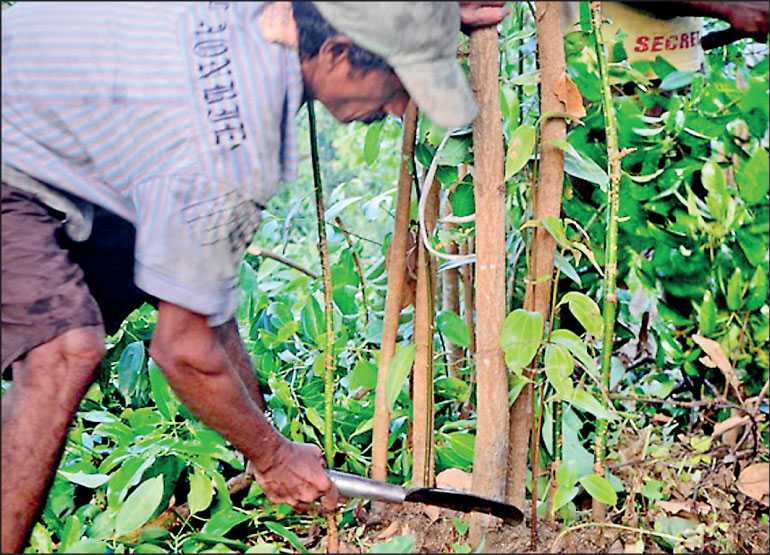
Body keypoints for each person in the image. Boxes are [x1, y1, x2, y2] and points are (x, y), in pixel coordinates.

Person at [0, 2, 499, 552]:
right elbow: (182, 350)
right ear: (335, 55)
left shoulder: (272, 17)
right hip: (14, 154)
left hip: (40, 123)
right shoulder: (235, 144)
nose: (403, 106)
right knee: (63, 350)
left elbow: (199, 300)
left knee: (175, 264)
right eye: (398, 80)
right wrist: (273, 456)